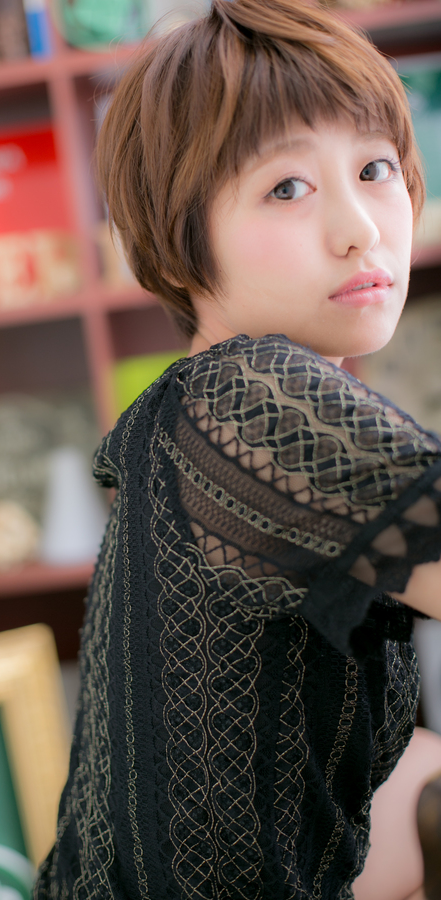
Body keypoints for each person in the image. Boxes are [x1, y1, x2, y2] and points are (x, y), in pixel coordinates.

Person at [34, 1, 441, 898]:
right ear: (174, 244)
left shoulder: (184, 415)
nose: (361, 227)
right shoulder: (247, 394)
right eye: (286, 188)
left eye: (375, 168)